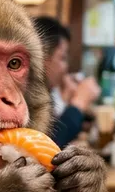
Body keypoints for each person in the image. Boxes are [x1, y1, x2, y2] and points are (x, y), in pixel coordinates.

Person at [34, 16, 100, 147]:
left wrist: (68, 100)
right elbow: (48, 145)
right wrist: (79, 103)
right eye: (62, 58)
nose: (65, 68)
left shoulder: (44, 95)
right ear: (42, 57)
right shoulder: (25, 95)